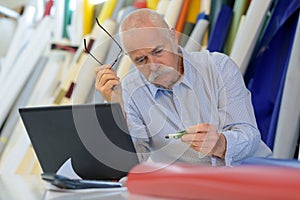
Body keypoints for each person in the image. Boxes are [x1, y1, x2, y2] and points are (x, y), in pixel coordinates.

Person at [94, 9, 272, 166]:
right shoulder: (129, 91)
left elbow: (250, 135)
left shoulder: (218, 67)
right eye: (141, 60)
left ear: (173, 36)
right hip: (190, 188)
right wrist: (117, 108)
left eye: (158, 52)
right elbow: (132, 160)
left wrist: (220, 144)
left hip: (249, 175)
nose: (154, 65)